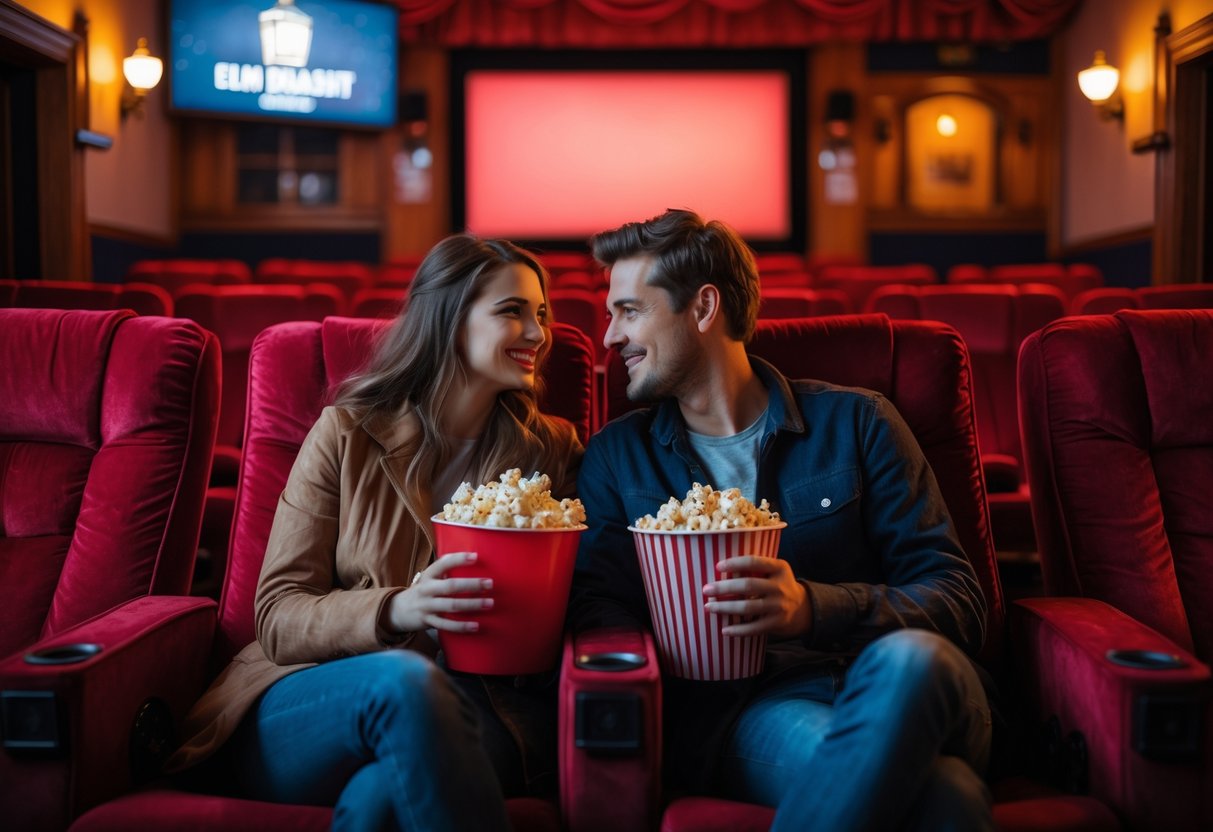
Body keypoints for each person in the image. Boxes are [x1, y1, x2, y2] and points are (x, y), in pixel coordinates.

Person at [569, 209, 993, 830]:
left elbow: (961, 601)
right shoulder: (617, 456)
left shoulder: (860, 423)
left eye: (629, 311)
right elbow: (597, 610)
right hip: (765, 709)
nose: (610, 336)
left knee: (913, 663)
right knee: (945, 796)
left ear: (704, 307)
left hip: (916, 685)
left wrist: (814, 608)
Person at [165, 234, 582, 830]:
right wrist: (398, 609)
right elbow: (277, 615)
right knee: (405, 682)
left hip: (475, 707)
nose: (539, 333)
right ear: (448, 319)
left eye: (541, 313)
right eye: (512, 311)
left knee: (381, 800)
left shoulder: (552, 451)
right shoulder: (346, 433)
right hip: (313, 696)